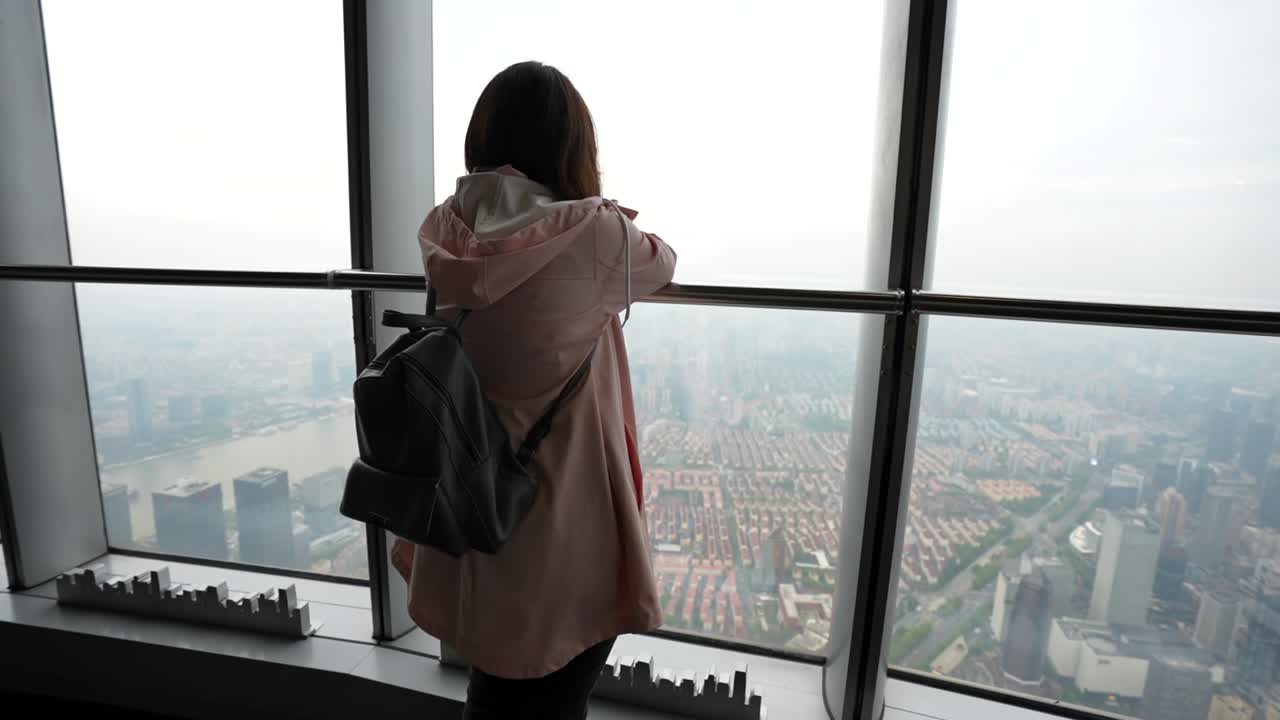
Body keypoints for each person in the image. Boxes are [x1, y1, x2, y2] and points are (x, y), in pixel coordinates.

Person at [388, 60, 678, 719]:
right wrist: (602, 206)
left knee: (496, 684)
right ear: (571, 148)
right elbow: (663, 263)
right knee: (549, 692)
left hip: (470, 495)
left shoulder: (447, 231)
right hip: (559, 524)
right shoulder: (597, 234)